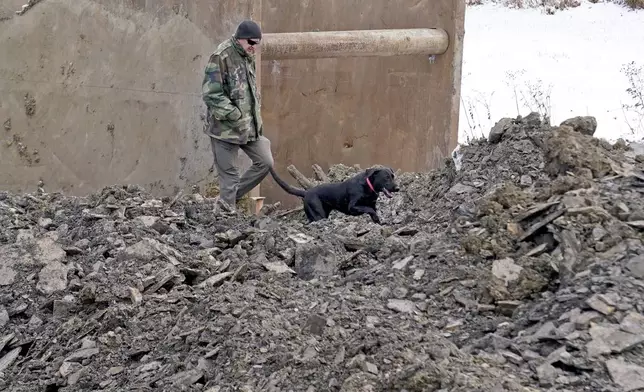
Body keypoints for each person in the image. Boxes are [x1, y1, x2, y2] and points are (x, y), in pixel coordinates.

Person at [201, 19, 274, 211]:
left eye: (257, 43)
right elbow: (211, 94)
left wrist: (255, 121)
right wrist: (234, 114)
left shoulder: (247, 55)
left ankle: (228, 198)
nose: (254, 47)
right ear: (240, 39)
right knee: (230, 176)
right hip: (225, 130)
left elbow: (249, 92)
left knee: (265, 162)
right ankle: (225, 223)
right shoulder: (221, 56)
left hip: (248, 129)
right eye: (251, 42)